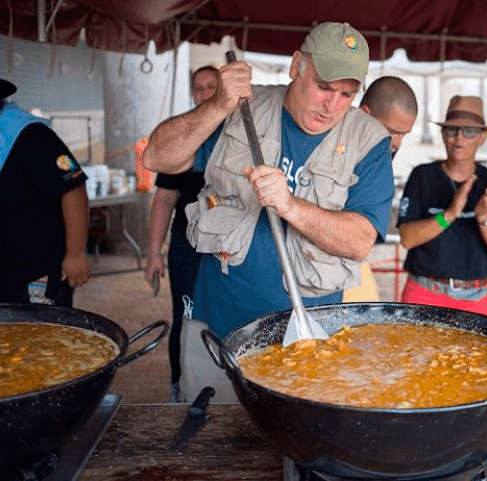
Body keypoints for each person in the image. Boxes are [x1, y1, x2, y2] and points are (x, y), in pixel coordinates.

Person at [142, 23, 394, 402]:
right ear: (296, 66)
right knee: (211, 446)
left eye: (347, 93)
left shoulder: (369, 142)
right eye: (324, 87)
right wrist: (217, 105)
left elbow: (360, 242)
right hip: (218, 330)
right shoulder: (241, 111)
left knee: (290, 452)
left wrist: (291, 205)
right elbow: (157, 156)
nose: (332, 105)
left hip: (305, 343)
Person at [0, 68, 90, 306]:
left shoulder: (32, 138)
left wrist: (76, 253)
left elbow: (73, 188)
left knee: (40, 341)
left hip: (35, 275)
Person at [396, 95, 487, 315]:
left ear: (482, 137)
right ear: (443, 135)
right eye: (451, 130)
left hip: (475, 295)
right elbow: (407, 239)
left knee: (475, 352)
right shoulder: (422, 175)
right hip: (423, 291)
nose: (459, 137)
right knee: (415, 351)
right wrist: (449, 214)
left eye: (469, 131)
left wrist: (484, 217)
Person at [143, 65, 221, 403]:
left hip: (227, 248)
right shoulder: (181, 136)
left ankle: (225, 385)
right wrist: (153, 253)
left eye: (211, 87)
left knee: (223, 316)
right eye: (198, 87)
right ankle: (181, 387)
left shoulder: (237, 133)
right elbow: (163, 199)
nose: (203, 93)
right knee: (186, 318)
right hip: (186, 246)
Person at [343, 76, 418, 302]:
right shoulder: (330, 145)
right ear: (365, 114)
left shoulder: (380, 157)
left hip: (355, 269)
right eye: (391, 131)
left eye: (404, 134)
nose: (397, 143)